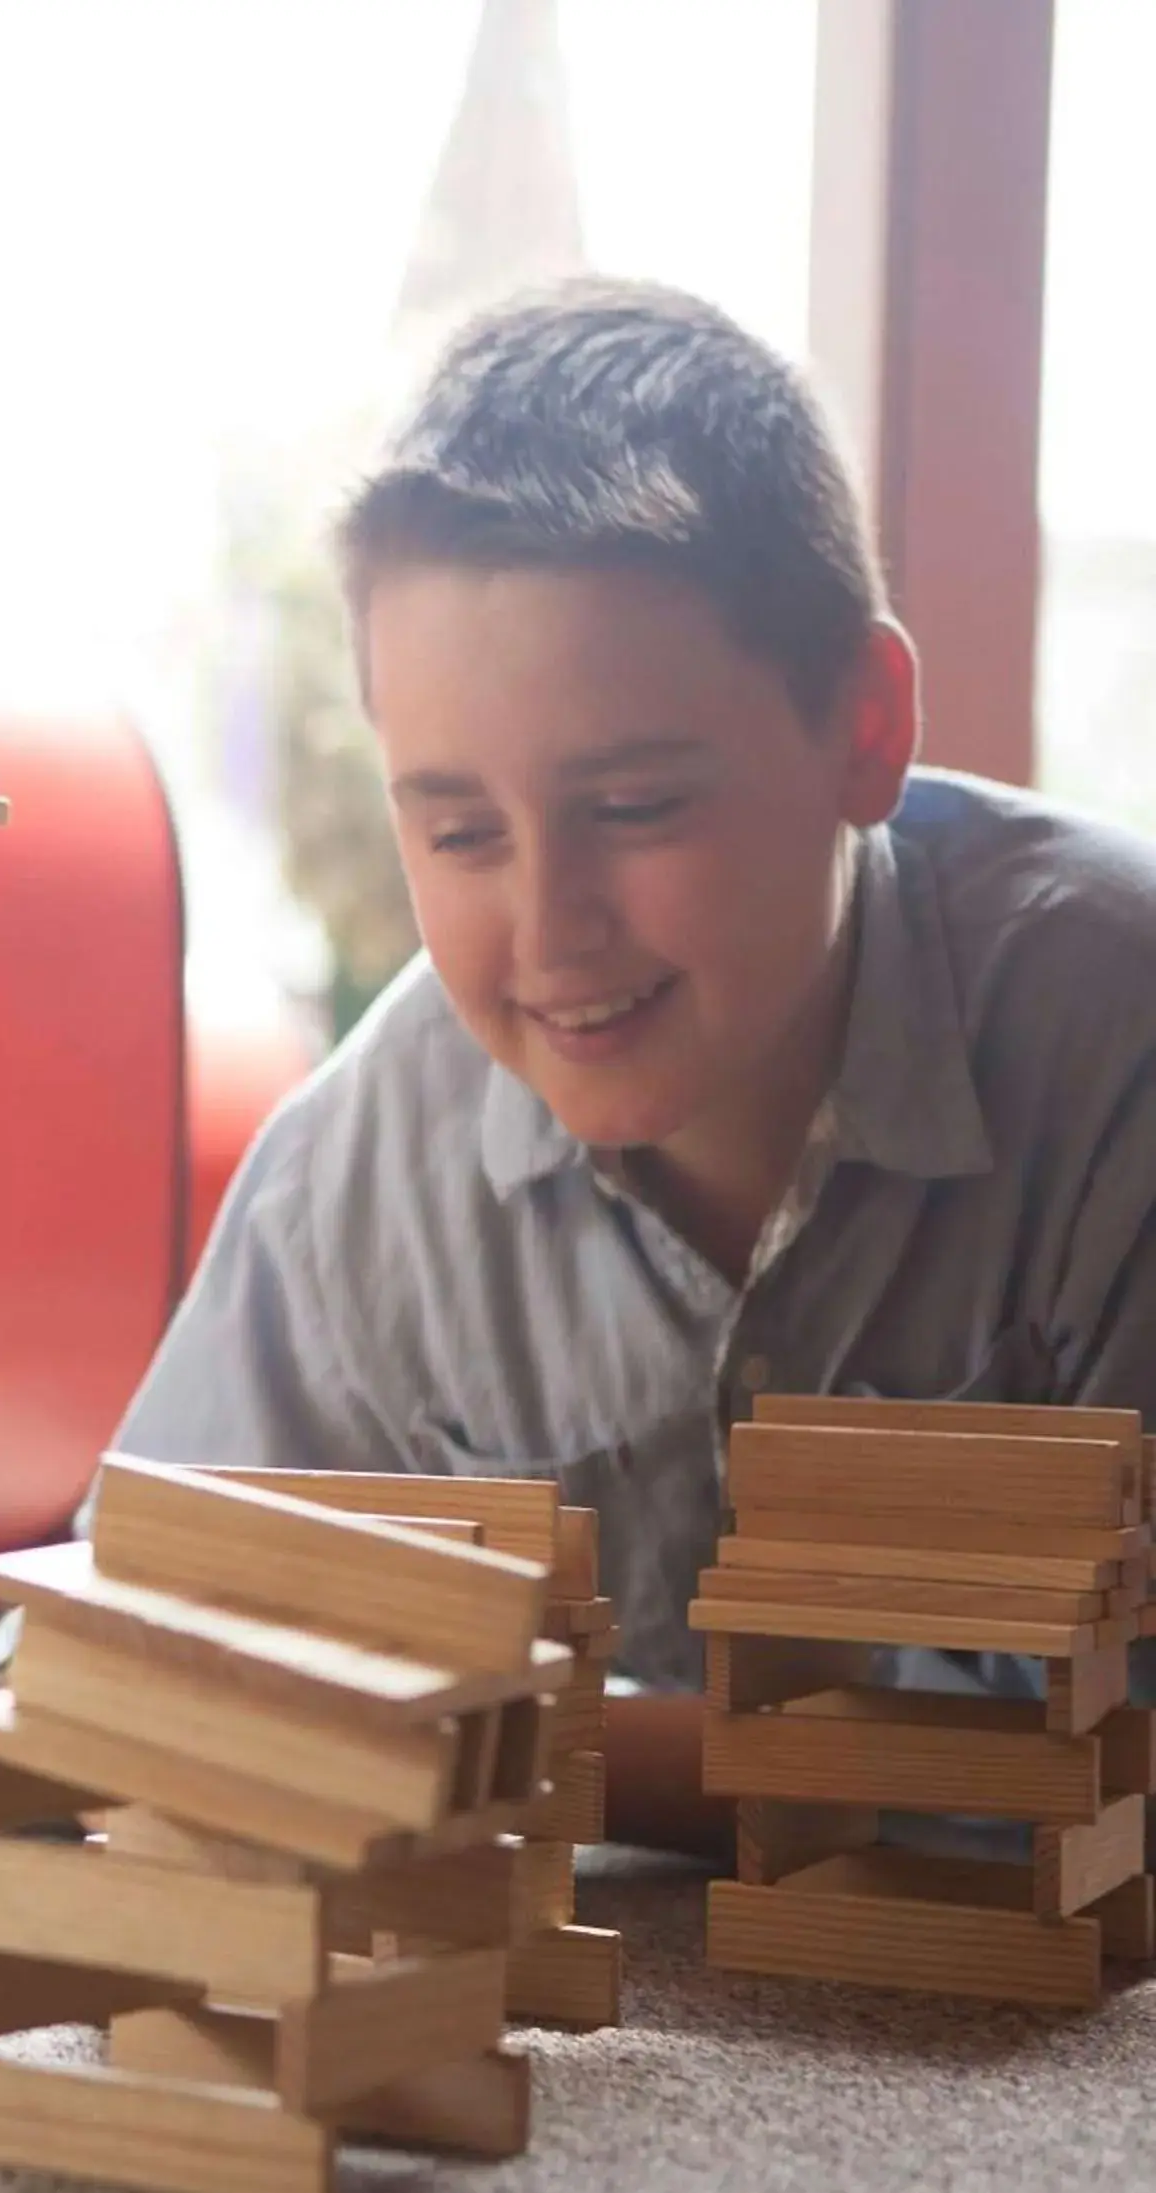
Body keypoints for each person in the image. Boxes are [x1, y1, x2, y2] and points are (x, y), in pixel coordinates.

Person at [71, 279, 1156, 1848]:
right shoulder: (366, 1171)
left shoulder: (1115, 1047)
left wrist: (524, 1740)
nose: (551, 928)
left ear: (866, 725)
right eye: (459, 832)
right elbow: (99, 1681)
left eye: (637, 808)